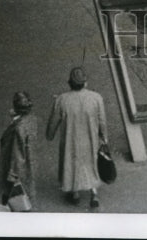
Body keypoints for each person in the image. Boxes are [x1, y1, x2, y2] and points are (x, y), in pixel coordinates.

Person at [46, 66, 107, 209]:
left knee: (72, 163)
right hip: (90, 139)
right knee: (91, 163)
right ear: (85, 83)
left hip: (70, 139)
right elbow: (102, 121)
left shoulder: (62, 99)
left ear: (70, 83)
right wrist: (104, 137)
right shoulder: (96, 98)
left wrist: (50, 135)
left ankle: (75, 193)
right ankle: (94, 194)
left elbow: (53, 122)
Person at [0, 91, 39, 209]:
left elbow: (16, 154)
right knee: (25, 196)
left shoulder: (17, 128)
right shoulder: (32, 120)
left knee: (11, 199)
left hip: (15, 168)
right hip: (29, 164)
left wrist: (13, 175)